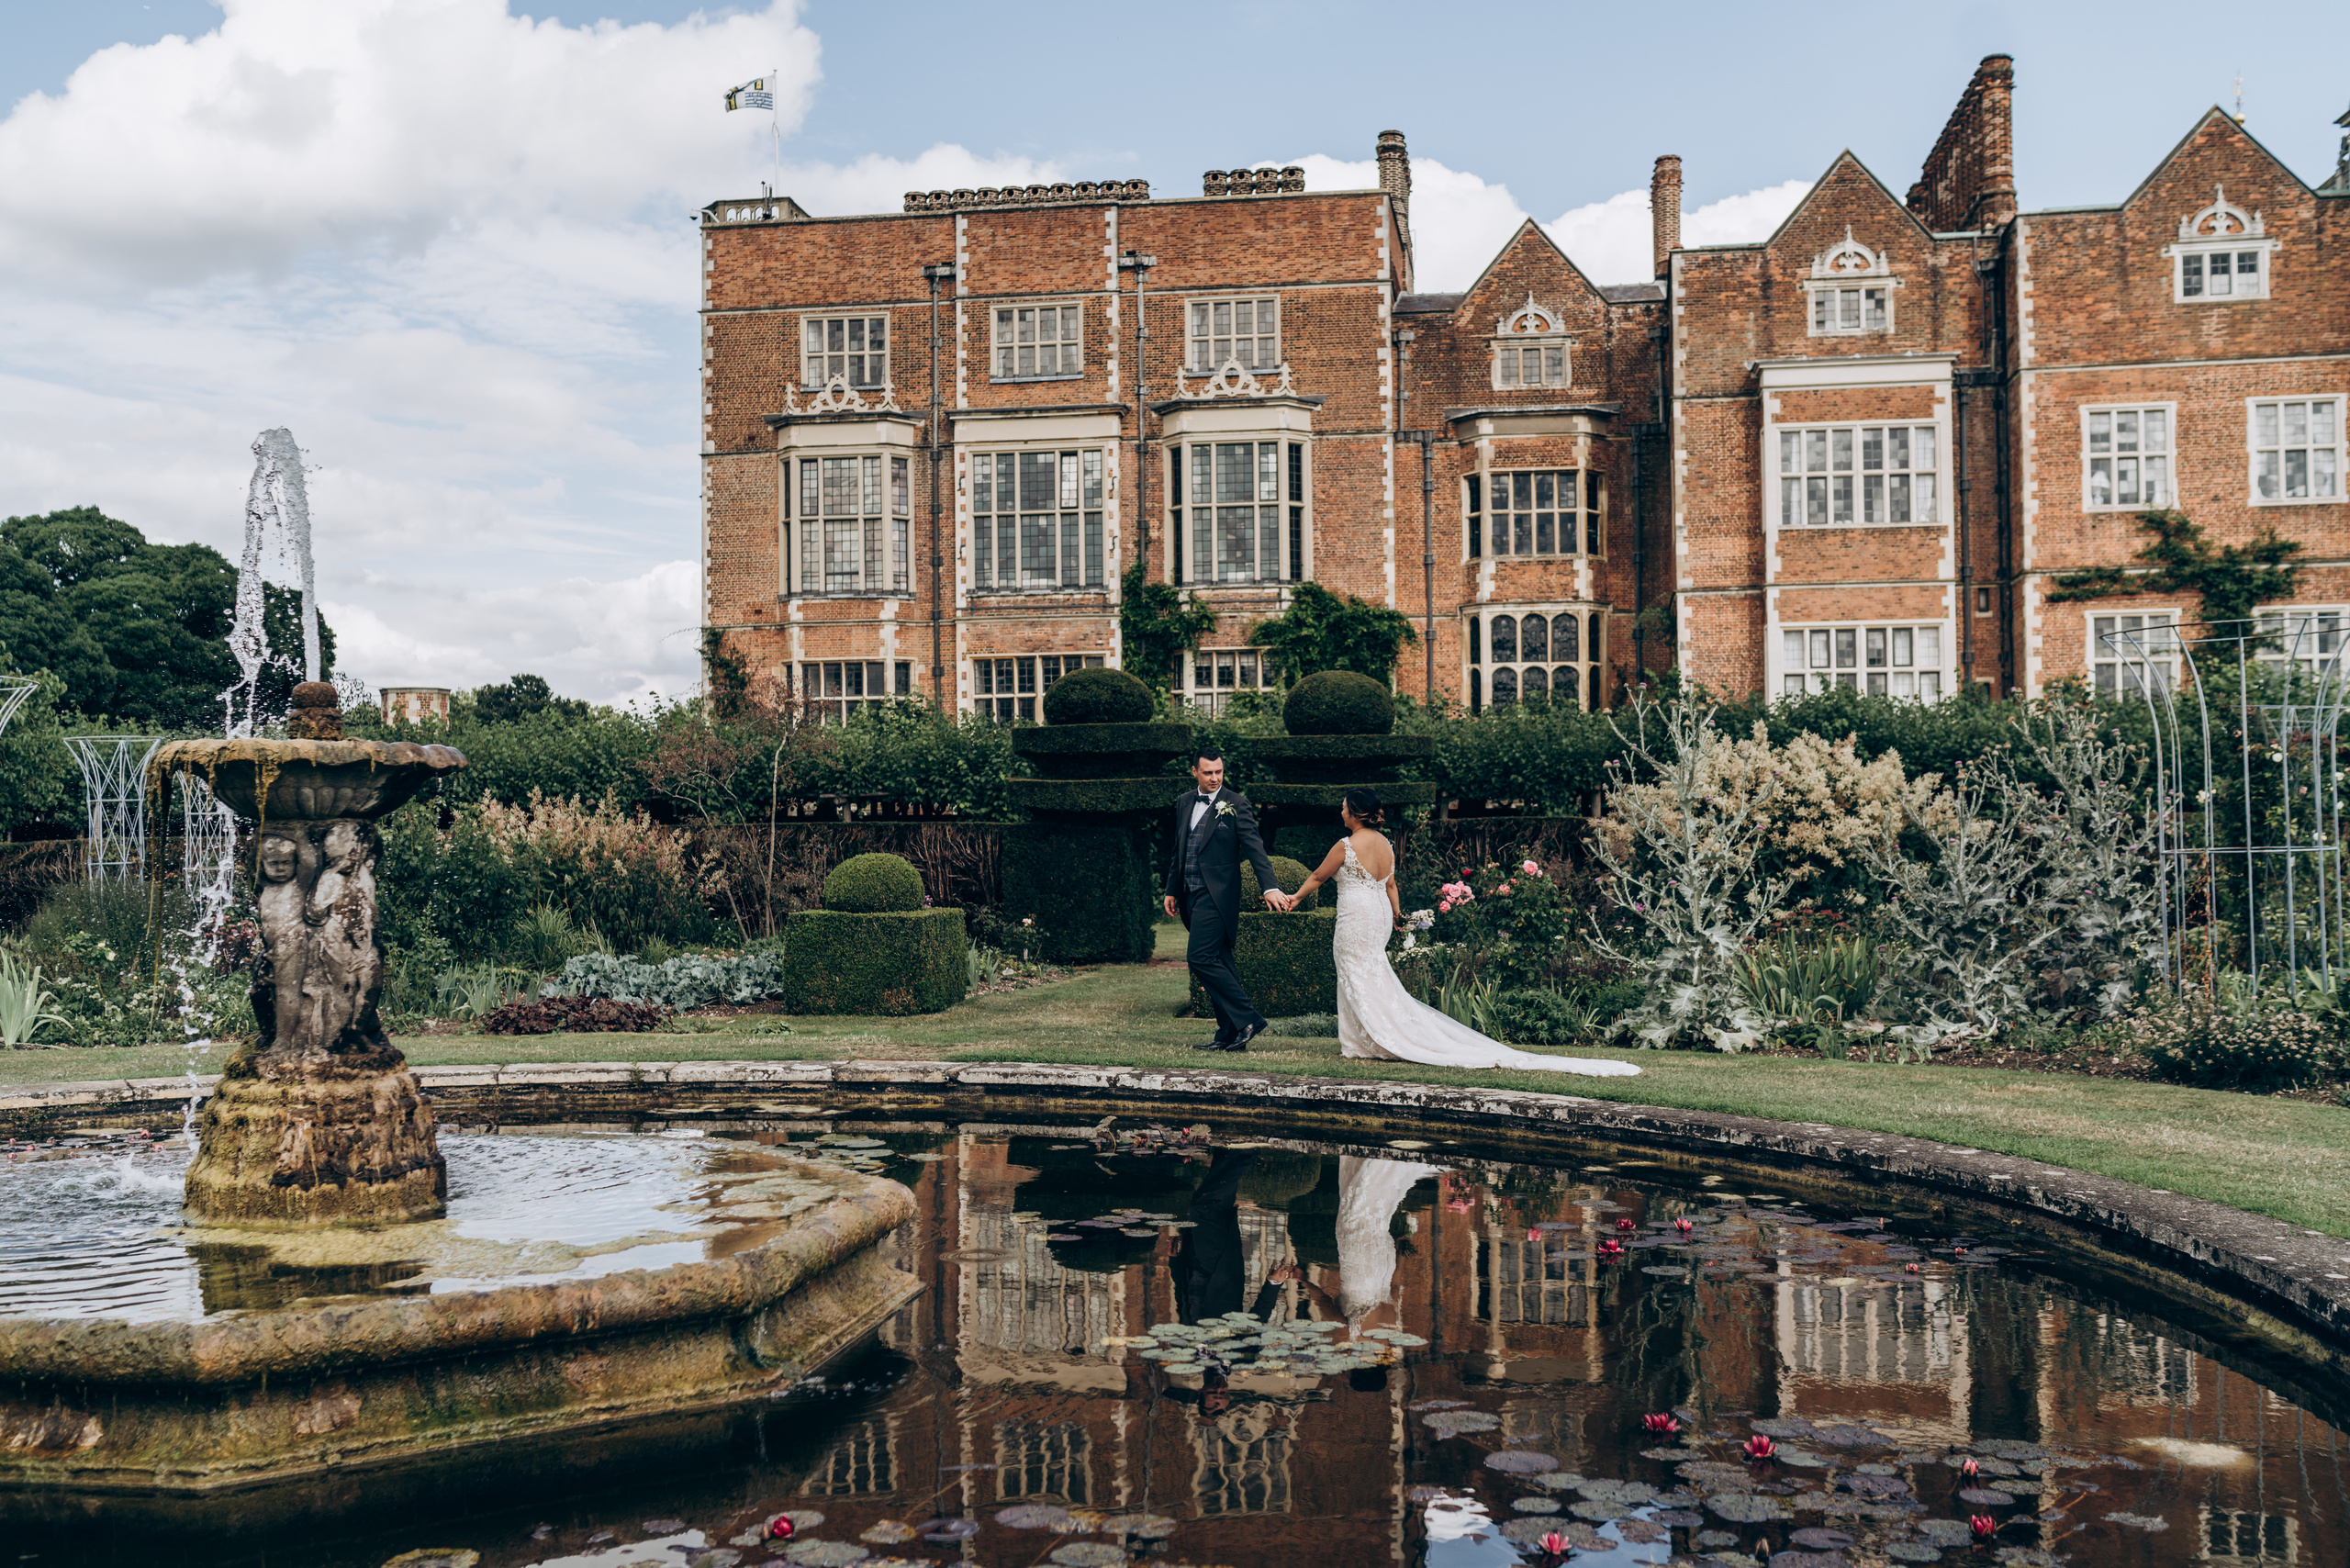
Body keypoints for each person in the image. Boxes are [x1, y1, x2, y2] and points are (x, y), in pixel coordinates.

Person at [1285, 787, 1641, 1078]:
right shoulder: (1386, 845)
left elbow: (1318, 877)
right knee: (1370, 970)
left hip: (1357, 913)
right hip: (1378, 913)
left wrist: (1295, 899)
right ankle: (1363, 1040)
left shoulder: (1345, 845)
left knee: (1354, 969)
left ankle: (1368, 1041)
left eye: (1344, 807)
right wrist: (1396, 916)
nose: (1341, 811)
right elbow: (1391, 885)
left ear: (1355, 812)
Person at [1162, 745, 1287, 1052]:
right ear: (1195, 772)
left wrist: (1269, 886)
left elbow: (1255, 848)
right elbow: (1180, 849)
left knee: (1200, 958)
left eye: (1219, 771)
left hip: (1217, 896)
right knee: (1220, 962)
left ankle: (1249, 1019)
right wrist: (1171, 889)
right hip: (1190, 894)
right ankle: (1229, 1033)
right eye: (1208, 772)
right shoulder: (1184, 802)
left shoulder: (1236, 804)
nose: (1215, 778)